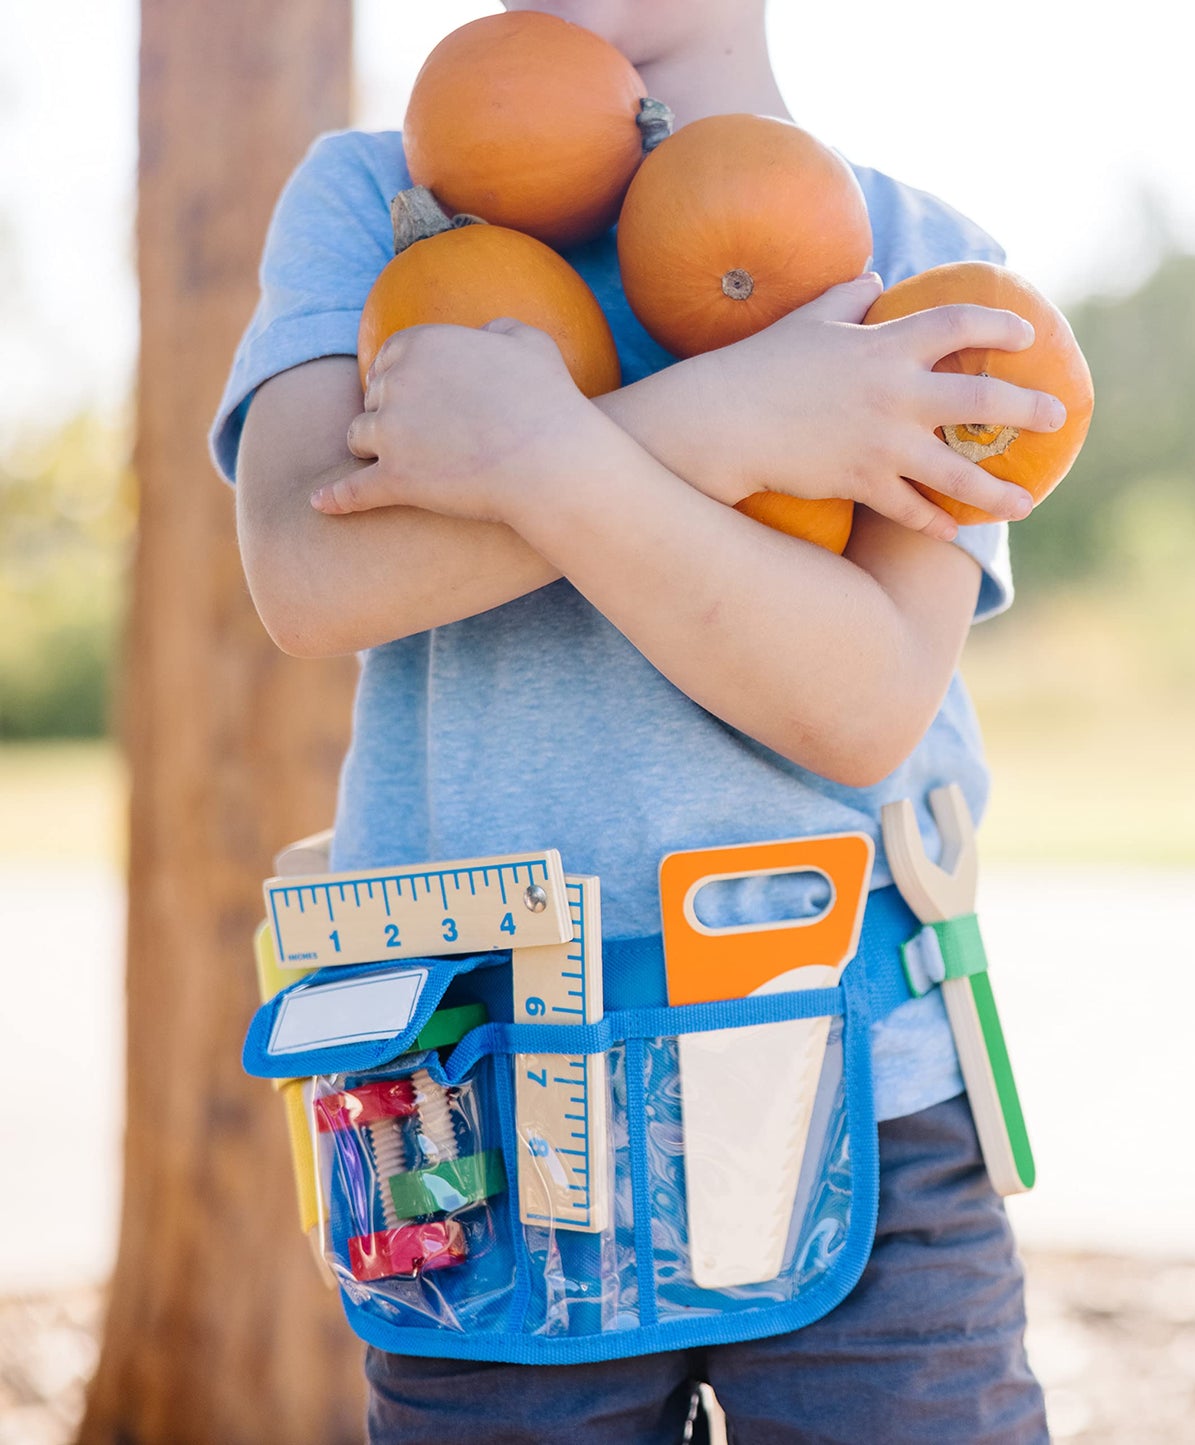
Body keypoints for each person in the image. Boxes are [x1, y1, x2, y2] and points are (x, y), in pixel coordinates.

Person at [212, 2, 1059, 1440]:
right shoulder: (383, 202)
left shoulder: (927, 267)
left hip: (862, 1098)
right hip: (471, 1113)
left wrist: (539, 456)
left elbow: (856, 705)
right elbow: (309, 569)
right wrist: (723, 415)